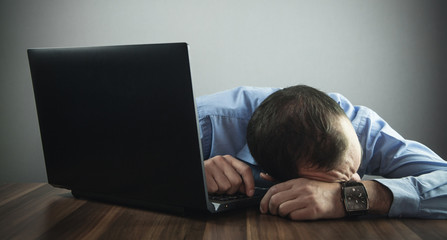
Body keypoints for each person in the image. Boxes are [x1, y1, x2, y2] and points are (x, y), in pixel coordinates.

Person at [197, 85, 447, 220]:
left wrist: (353, 197)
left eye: (355, 170)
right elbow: (156, 175)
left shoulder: (364, 129)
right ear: (272, 177)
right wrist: (188, 176)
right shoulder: (202, 123)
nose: (356, 181)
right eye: (341, 181)